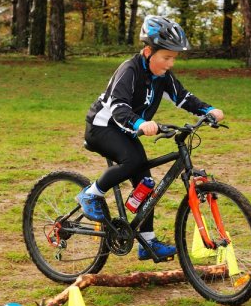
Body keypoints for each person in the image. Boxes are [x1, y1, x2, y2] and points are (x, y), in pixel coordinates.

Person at [77, 15, 224, 261]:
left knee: (146, 182)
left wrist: (207, 110)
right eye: (166, 57)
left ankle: (147, 242)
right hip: (101, 127)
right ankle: (91, 193)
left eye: (174, 58)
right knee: (133, 161)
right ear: (148, 51)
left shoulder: (163, 76)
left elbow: (183, 97)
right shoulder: (130, 70)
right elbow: (118, 106)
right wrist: (140, 123)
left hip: (126, 131)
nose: (170, 63)